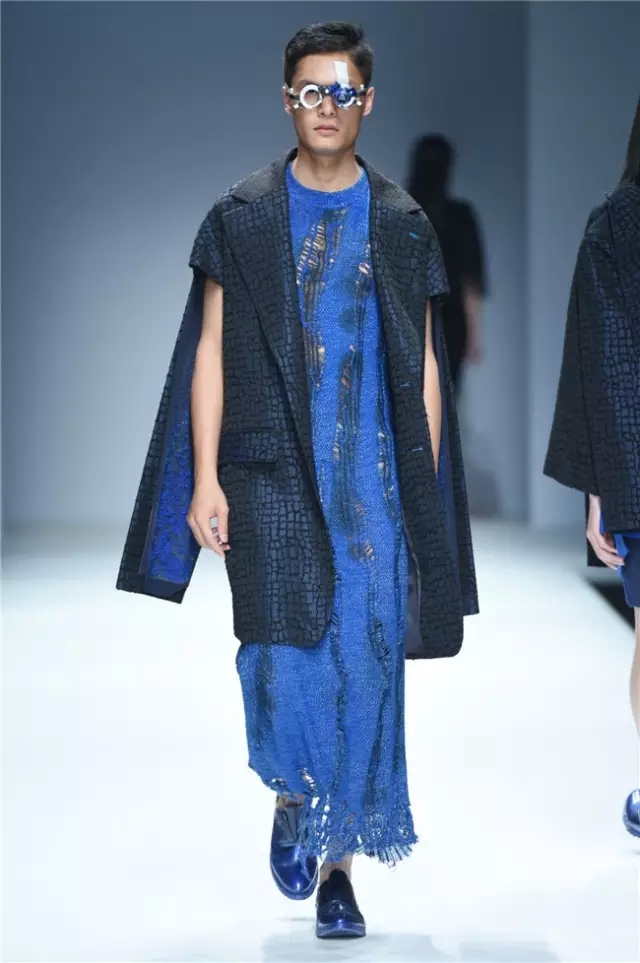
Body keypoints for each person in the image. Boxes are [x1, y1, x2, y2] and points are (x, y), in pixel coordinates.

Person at [116, 21, 478, 939]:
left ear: (367, 102)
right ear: (287, 100)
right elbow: (209, 350)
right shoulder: (240, 215)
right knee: (276, 659)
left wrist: (421, 486)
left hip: (372, 484)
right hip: (269, 471)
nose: (327, 106)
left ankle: (339, 871)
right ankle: (289, 792)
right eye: (312, 90)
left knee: (365, 668)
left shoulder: (401, 222)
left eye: (342, 91)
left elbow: (424, 366)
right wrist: (205, 477)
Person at [544, 97, 640, 839]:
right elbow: (604, 362)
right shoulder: (617, 225)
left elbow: (604, 365)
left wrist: (600, 490)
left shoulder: (616, 224)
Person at [407, 134, 487, 397]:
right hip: (449, 322)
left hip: (408, 319)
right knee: (444, 398)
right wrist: (474, 334)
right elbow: (470, 279)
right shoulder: (460, 217)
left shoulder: (398, 214)